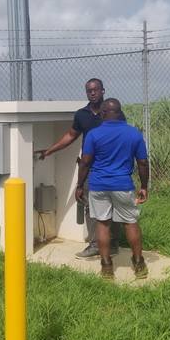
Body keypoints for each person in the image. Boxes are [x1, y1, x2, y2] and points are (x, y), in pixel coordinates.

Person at [36, 78, 120, 259]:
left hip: (111, 167)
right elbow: (70, 135)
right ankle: (95, 244)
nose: (92, 93)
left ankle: (112, 243)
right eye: (89, 90)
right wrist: (50, 150)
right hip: (91, 168)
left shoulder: (112, 112)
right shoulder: (82, 115)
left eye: (95, 89)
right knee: (90, 206)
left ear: (103, 91)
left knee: (112, 205)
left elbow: (121, 136)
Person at [75, 98, 149, 280]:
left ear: (103, 113)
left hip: (98, 185)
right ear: (119, 112)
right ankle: (138, 263)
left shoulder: (93, 134)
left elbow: (85, 162)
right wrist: (144, 186)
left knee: (102, 224)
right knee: (130, 223)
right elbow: (142, 162)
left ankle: (107, 266)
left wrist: (79, 186)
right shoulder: (134, 133)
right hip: (123, 185)